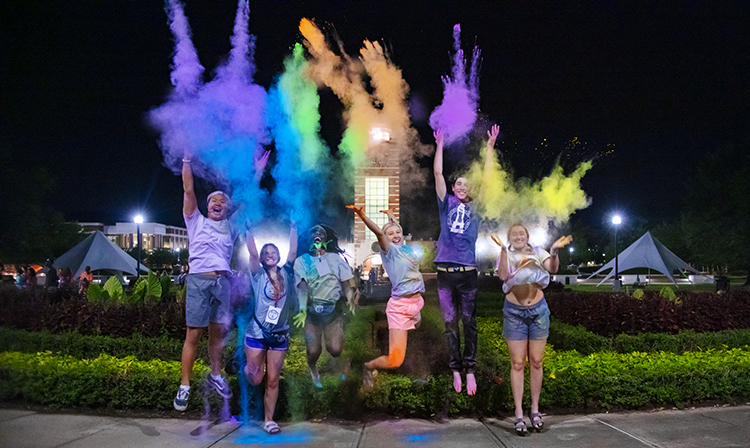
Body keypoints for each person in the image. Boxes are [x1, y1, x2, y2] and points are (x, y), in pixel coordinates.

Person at [173, 149, 269, 411]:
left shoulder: (230, 225)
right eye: (213, 200)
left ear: (227, 208)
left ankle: (216, 375)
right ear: (207, 205)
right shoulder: (195, 220)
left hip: (222, 283)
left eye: (223, 201)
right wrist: (186, 160)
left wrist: (257, 171)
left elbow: (247, 198)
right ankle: (184, 386)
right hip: (198, 282)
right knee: (193, 334)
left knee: (217, 336)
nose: (218, 202)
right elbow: (188, 189)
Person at [432, 125, 498, 395]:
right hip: (446, 274)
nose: (461, 187)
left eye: (466, 184)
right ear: (453, 187)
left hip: (468, 273)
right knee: (450, 323)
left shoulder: (476, 207)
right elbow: (437, 172)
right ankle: (455, 370)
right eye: (457, 183)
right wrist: (440, 144)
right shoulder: (445, 203)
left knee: (469, 322)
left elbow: (489, 178)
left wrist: (490, 148)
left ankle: (470, 370)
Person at [493, 224, 571, 435]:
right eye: (514, 234)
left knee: (536, 361)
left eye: (521, 233)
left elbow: (552, 268)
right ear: (509, 238)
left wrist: (554, 251)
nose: (518, 236)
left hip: (538, 312)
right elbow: (501, 276)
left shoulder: (538, 252)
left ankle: (535, 410)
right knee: (518, 363)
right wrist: (502, 252)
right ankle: (519, 414)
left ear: (527, 237)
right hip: (514, 313)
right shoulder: (505, 253)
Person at [348, 207, 425, 389]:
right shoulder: (389, 251)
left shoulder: (405, 248)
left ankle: (383, 329)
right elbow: (378, 232)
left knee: (418, 325)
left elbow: (396, 228)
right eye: (390, 234)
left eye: (398, 232)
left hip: (416, 303)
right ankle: (369, 367)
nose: (396, 235)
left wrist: (391, 217)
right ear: (385, 238)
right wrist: (362, 216)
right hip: (400, 307)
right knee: (395, 360)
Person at [244, 218, 298, 435]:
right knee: (256, 378)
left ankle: (269, 420)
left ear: (278, 255)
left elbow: (293, 251)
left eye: (272, 251)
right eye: (266, 253)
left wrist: (293, 227)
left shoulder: (286, 272)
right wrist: (249, 231)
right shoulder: (257, 275)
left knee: (273, 379)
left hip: (279, 336)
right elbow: (253, 254)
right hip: (257, 333)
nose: (269, 255)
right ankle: (244, 366)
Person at [293, 224, 358, 388]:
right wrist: (302, 309)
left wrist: (350, 298)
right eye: (313, 232)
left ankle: (344, 365)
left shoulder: (336, 259)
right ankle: (314, 370)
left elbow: (346, 283)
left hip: (332, 311)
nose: (317, 234)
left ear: (326, 238)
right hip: (311, 312)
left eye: (320, 232)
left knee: (335, 349)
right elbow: (302, 286)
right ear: (308, 239)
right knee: (313, 352)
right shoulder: (302, 261)